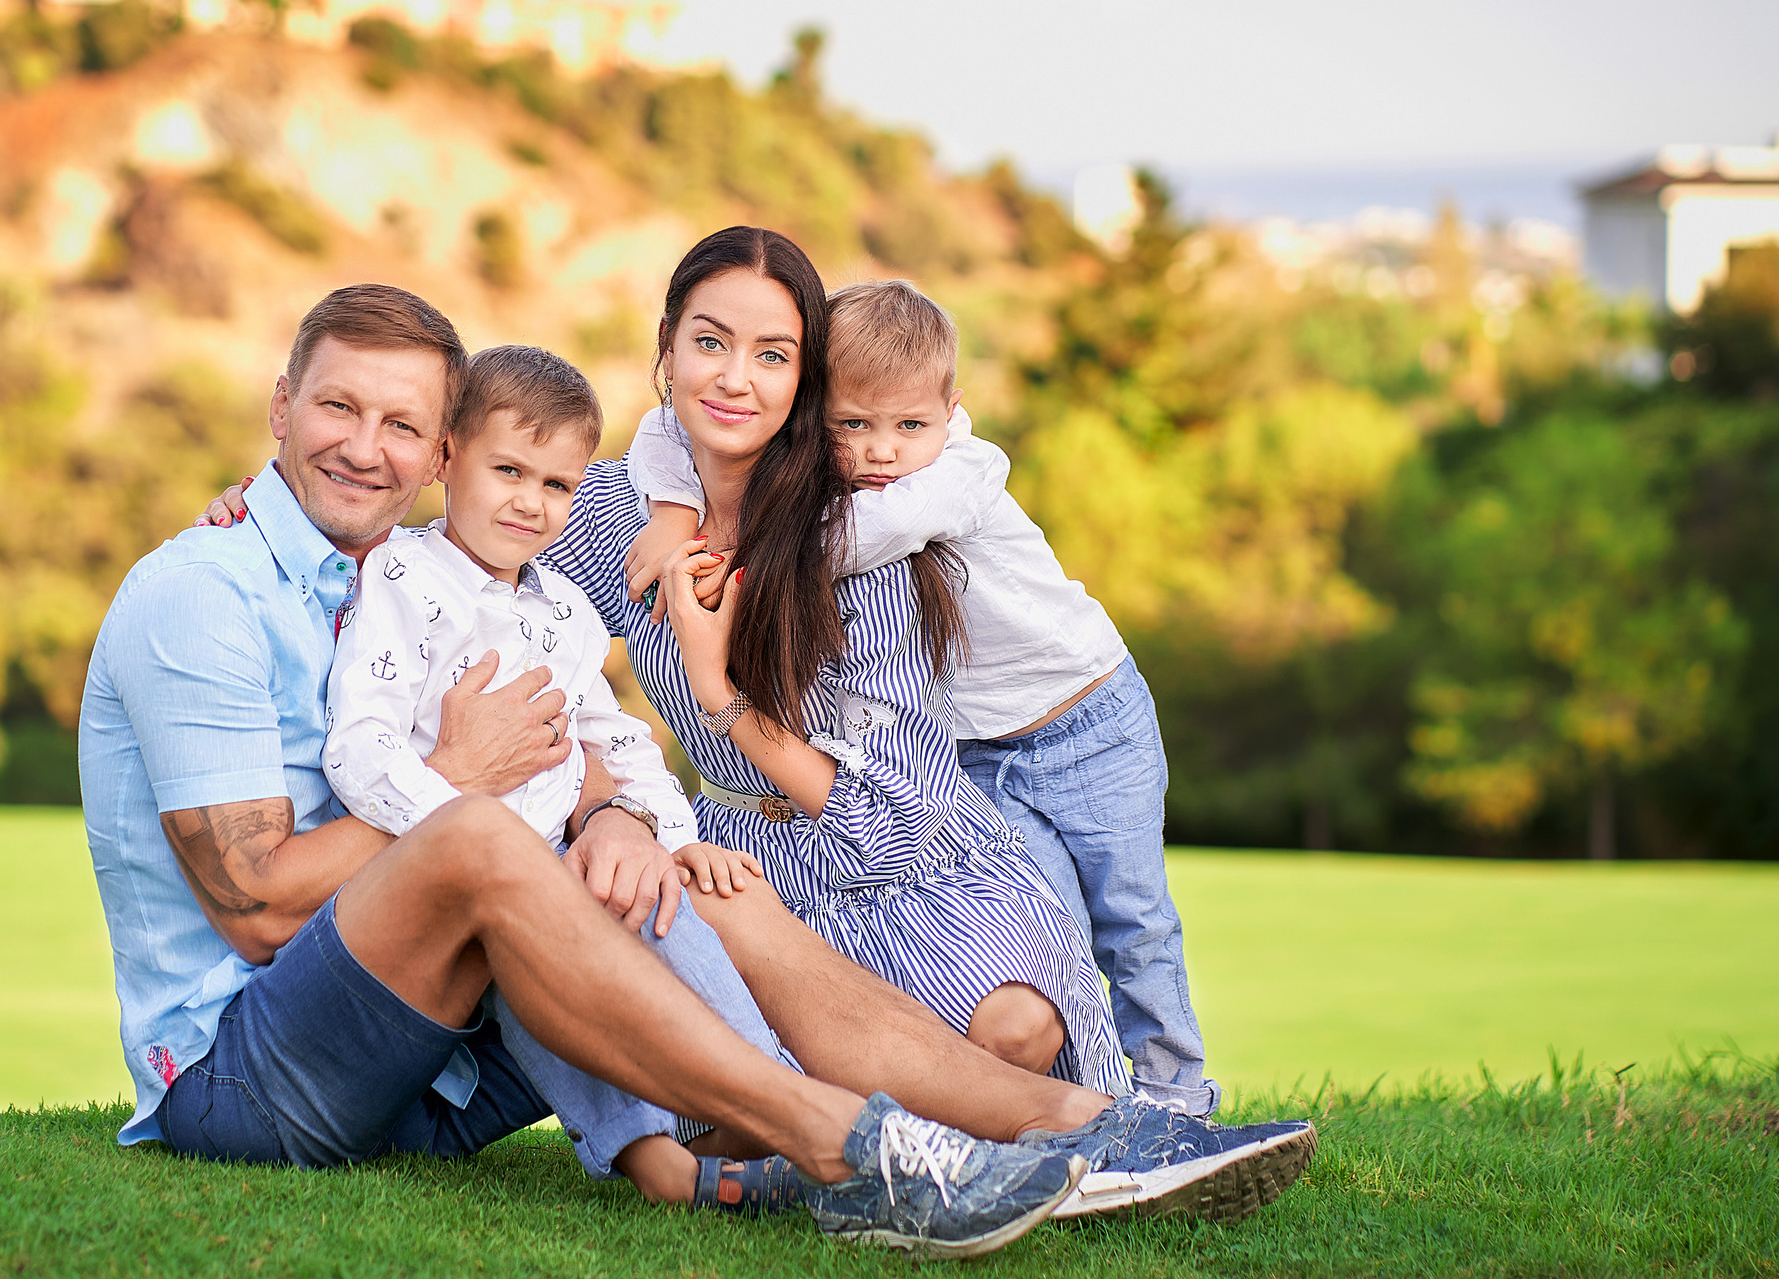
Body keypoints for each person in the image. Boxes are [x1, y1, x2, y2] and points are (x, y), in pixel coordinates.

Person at [85, 280, 1093, 1257]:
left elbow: (574, 737)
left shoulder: (415, 572)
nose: (364, 446)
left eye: (401, 425)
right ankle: (840, 1141)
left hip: (435, 1062)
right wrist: (461, 779)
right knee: (481, 836)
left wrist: (619, 825)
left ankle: (1081, 1124)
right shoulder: (201, 598)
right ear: (279, 408)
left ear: (441, 452)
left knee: (691, 881)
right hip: (249, 1078)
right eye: (337, 407)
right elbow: (256, 905)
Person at [534, 227, 1313, 1220]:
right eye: (707, 343)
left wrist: (713, 683)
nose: (734, 379)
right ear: (666, 352)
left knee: (1017, 1029)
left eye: (772, 356)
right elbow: (474, 561)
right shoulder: (611, 513)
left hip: (908, 849)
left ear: (806, 385)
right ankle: (983, 1156)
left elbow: (886, 818)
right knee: (721, 1100)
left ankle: (1083, 1130)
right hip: (744, 850)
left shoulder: (862, 532)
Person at [622, 277, 1217, 1115]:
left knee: (1135, 916)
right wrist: (672, 505)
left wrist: (739, 550)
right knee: (1058, 931)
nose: (880, 453)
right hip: (974, 750)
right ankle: (1079, 1115)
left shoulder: (954, 477)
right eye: (852, 426)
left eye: (908, 427)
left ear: (951, 411)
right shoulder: (844, 470)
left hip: (1085, 718)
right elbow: (660, 425)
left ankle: (1179, 1099)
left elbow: (857, 536)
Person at [322, 342, 801, 1210]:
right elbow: (360, 749)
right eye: (508, 469)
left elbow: (613, 737)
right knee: (534, 950)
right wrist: (481, 837)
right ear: (446, 458)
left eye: (557, 485)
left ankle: (766, 1094)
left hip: (562, 858)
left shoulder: (566, 609)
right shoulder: (398, 575)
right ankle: (659, 1158)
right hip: (459, 877)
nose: (531, 502)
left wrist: (667, 835)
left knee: (661, 904)